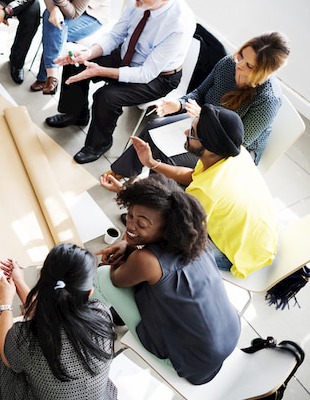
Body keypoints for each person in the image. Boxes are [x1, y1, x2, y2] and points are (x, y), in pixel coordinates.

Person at [93, 176, 241, 385]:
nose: (130, 225)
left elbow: (116, 279)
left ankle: (87, 321)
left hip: (192, 362)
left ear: (167, 228)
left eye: (142, 224)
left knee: (102, 276)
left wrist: (122, 255)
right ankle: (114, 315)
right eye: (130, 215)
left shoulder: (146, 261)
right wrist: (128, 245)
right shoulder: (195, 238)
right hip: (227, 335)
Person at [102, 104, 278, 279]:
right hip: (259, 235)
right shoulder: (229, 154)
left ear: (209, 146)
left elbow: (167, 227)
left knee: (152, 251)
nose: (186, 132)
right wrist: (150, 162)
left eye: (192, 133)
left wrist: (125, 194)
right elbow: (191, 176)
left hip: (241, 255)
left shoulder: (207, 191)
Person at [46, 0, 195, 165]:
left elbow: (146, 73)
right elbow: (117, 35)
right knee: (76, 61)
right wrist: (88, 53)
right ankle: (76, 114)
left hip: (159, 77)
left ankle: (99, 144)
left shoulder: (180, 24)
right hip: (128, 53)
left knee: (106, 97)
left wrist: (101, 71)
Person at [107, 31, 290, 178]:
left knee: (167, 157)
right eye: (241, 55)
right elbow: (200, 93)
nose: (239, 64)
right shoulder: (229, 63)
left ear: (264, 72)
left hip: (231, 150)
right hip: (201, 122)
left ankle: (154, 209)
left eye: (249, 66)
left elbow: (237, 143)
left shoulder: (268, 99)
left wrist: (200, 117)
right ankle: (122, 172)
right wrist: (178, 105)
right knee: (153, 128)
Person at [0, 244, 116, 400]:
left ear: (41, 278)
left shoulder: (27, 340)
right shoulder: (102, 314)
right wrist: (19, 282)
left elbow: (7, 356)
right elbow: (50, 310)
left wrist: (5, 303)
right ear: (90, 291)